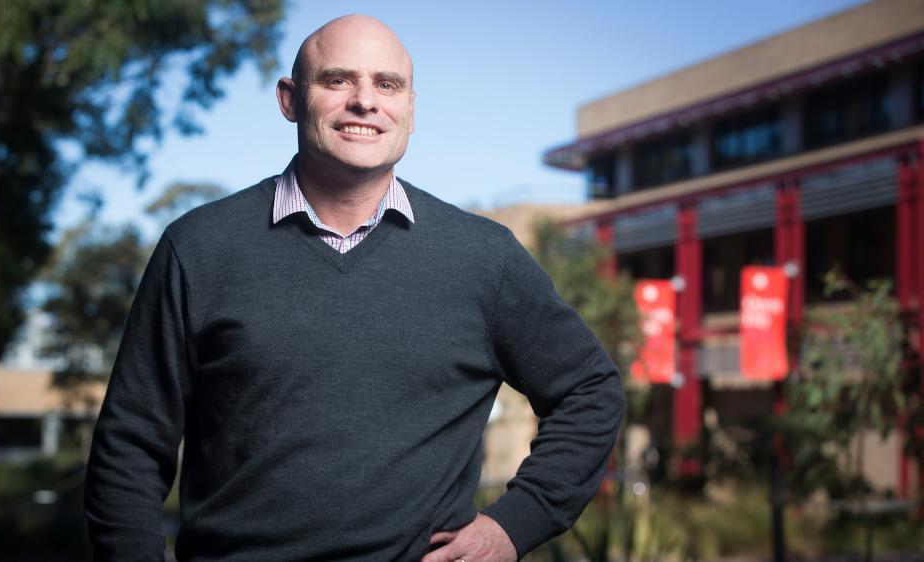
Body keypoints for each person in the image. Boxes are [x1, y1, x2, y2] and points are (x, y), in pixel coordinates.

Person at [84, 14, 625, 562]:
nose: (365, 102)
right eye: (338, 80)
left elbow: (590, 392)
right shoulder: (198, 249)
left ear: (411, 110)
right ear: (290, 100)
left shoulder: (484, 258)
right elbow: (129, 446)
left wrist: (514, 525)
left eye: (387, 85)